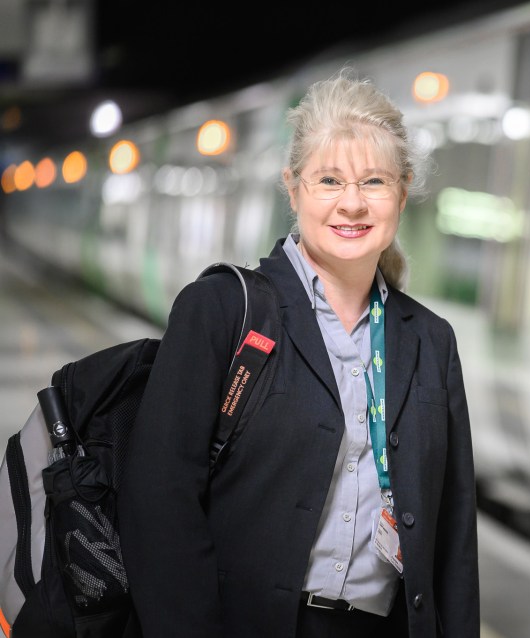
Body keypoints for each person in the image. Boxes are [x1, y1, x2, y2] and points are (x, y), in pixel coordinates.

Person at [118, 69, 480, 638]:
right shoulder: (220, 311)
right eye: (329, 180)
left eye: (376, 182)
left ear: (403, 193)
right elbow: (158, 502)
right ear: (294, 189)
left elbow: (455, 537)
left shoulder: (431, 341)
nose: (353, 205)